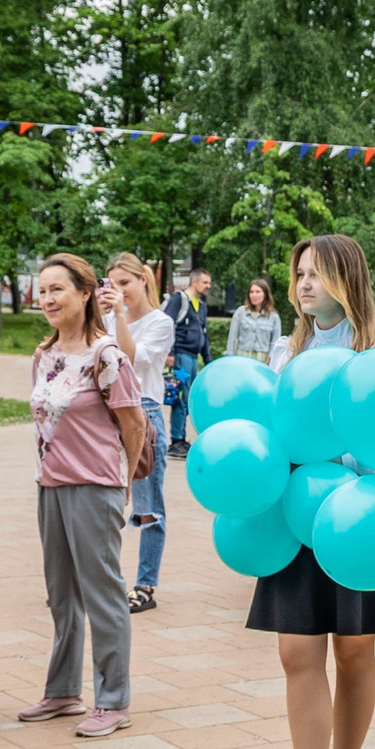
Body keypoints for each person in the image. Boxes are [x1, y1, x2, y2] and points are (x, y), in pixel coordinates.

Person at [242, 234, 375, 749]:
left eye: (316, 273)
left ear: (348, 279)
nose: (304, 285)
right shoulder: (285, 353)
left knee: (353, 651)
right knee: (297, 653)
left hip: (363, 523)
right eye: (299, 274)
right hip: (298, 520)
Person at [19, 253, 148, 736]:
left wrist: (123, 482)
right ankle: (63, 692)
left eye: (58, 289)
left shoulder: (106, 355)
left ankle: (113, 700)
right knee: (61, 594)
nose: (47, 298)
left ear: (86, 293)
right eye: (43, 290)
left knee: (103, 594)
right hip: (50, 485)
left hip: (95, 486)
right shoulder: (43, 354)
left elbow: (134, 423)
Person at [104, 253, 174, 614]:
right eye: (112, 284)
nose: (119, 290)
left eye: (125, 283)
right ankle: (98, 581)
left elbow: (129, 358)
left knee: (148, 508)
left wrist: (118, 315)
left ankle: (146, 585)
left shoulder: (160, 322)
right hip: (107, 415)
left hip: (144, 417)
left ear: (143, 280)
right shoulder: (105, 318)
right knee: (103, 503)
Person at [162, 266, 211, 454]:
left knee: (189, 398)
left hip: (193, 357)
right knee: (181, 398)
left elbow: (204, 335)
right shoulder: (179, 299)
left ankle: (180, 437)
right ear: (194, 281)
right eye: (205, 282)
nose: (208, 286)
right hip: (180, 356)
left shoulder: (201, 305)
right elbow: (167, 325)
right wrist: (170, 353)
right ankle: (177, 440)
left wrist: (208, 361)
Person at [229, 277, 281, 364]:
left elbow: (275, 342)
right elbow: (232, 338)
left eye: (257, 292)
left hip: (263, 359)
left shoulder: (273, 317)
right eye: (251, 292)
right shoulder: (241, 312)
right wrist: (230, 357)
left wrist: (270, 358)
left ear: (265, 294)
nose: (254, 295)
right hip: (242, 357)